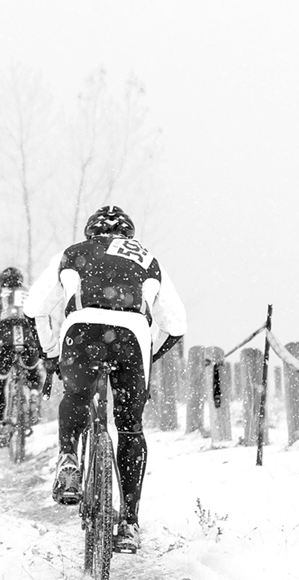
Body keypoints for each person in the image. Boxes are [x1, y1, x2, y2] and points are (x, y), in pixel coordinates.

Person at [24, 205, 186, 555]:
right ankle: (129, 523)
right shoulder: (148, 259)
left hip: (80, 333)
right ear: (130, 234)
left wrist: (52, 353)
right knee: (130, 429)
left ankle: (68, 459)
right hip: (131, 339)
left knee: (77, 395)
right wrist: (149, 355)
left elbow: (34, 307)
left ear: (90, 233)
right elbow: (176, 325)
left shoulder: (72, 254)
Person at [0, 265, 50, 439]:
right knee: (33, 372)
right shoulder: (31, 294)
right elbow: (43, 318)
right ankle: (34, 393)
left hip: (5, 343)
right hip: (29, 341)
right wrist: (45, 346)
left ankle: (0, 423)